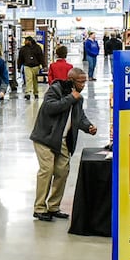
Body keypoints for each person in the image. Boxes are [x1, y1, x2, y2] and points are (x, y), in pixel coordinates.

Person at [29, 66, 98, 222]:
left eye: (85, 82)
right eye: (81, 82)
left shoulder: (78, 97)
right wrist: (70, 98)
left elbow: (79, 117)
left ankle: (53, 206)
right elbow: (49, 107)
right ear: (72, 81)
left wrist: (88, 127)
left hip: (63, 140)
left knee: (62, 172)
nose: (83, 85)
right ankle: (39, 208)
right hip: (46, 138)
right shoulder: (56, 89)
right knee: (47, 170)